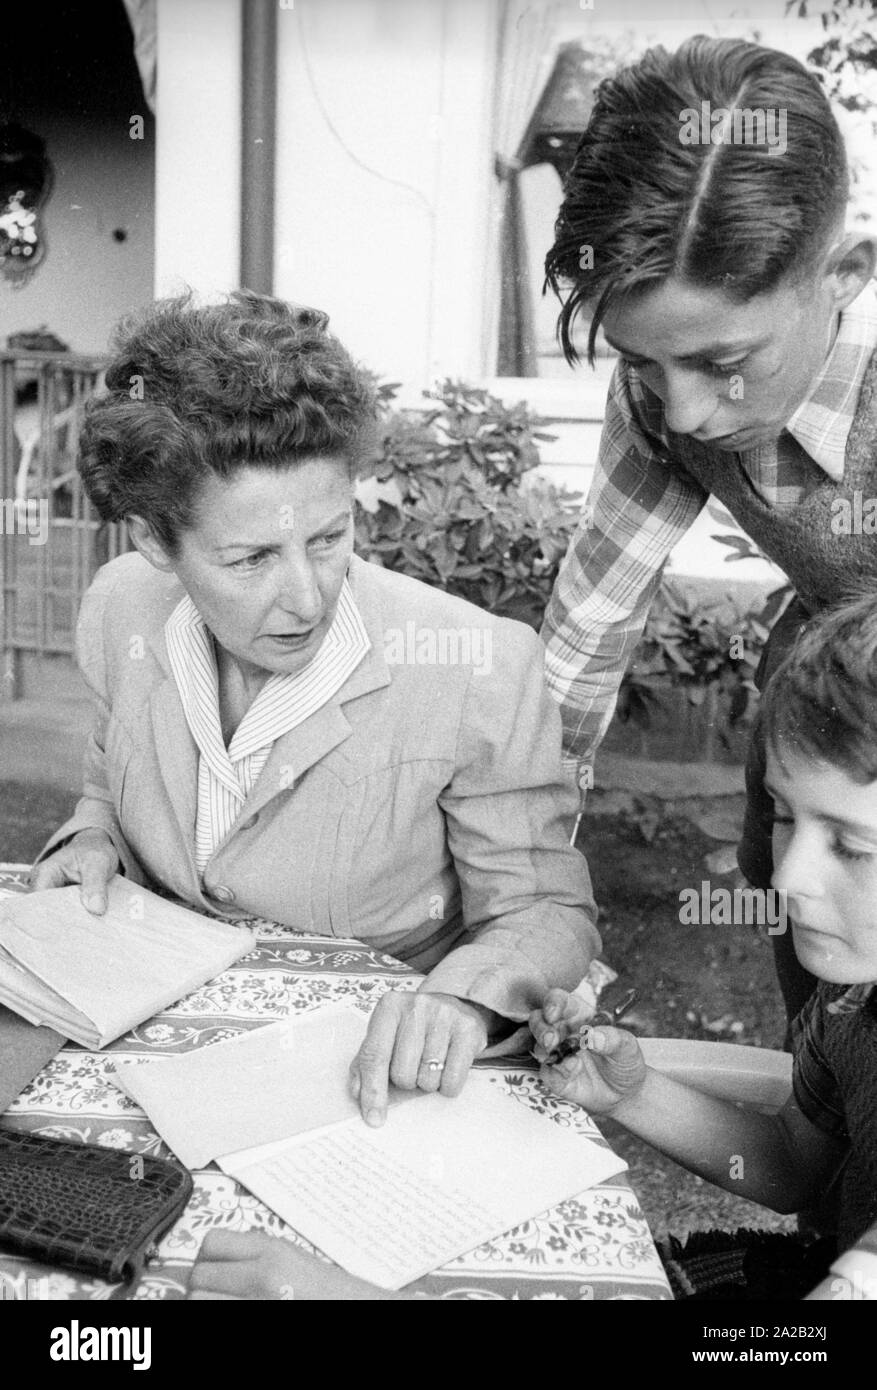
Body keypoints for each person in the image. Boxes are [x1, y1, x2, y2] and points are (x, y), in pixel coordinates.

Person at [30, 290, 599, 1125]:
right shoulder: (121, 607)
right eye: (252, 558)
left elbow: (541, 909)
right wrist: (93, 835)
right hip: (150, 1065)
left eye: (329, 539)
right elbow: (109, 770)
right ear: (155, 542)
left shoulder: (477, 665)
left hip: (373, 1087)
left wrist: (465, 1003)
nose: (308, 597)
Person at [540, 34, 877, 1031]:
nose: (680, 413)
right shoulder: (663, 385)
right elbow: (582, 649)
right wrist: (521, 889)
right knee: (827, 1044)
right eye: (644, 363)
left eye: (723, 360)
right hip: (815, 718)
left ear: (843, 272)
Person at [532, 593, 877, 1301]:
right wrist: (629, 1095)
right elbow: (787, 1168)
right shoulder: (850, 1003)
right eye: (783, 817)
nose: (785, 875)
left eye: (849, 844)